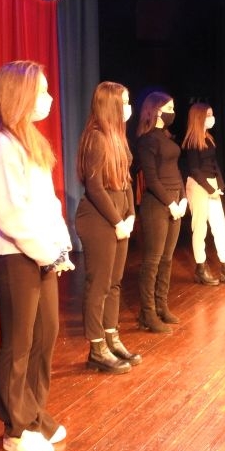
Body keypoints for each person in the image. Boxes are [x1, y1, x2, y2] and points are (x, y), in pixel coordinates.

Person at [0, 60, 74, 451]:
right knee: (18, 342)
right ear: (19, 95)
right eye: (41, 91)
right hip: (13, 256)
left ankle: (34, 413)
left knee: (46, 333)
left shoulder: (29, 140)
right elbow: (11, 216)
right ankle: (15, 427)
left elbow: (47, 203)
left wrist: (59, 246)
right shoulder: (1, 146)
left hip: (39, 252)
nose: (48, 99)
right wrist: (48, 252)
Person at [75, 82, 141, 375]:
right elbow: (95, 187)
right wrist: (117, 221)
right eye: (124, 103)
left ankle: (112, 337)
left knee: (115, 283)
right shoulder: (96, 138)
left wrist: (131, 214)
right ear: (111, 105)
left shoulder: (118, 138)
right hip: (98, 220)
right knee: (99, 284)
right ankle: (97, 347)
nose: (128, 108)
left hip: (119, 219)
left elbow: (125, 179)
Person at [135, 91, 187, 333]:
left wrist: (183, 198)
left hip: (176, 199)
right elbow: (152, 179)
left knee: (167, 259)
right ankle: (147, 313)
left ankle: (161, 306)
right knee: (153, 260)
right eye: (169, 108)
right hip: (156, 204)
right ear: (156, 110)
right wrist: (170, 203)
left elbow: (176, 170)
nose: (172, 113)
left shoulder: (166, 137)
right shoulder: (146, 140)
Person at [182, 102, 225, 285]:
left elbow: (214, 164)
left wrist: (220, 185)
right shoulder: (192, 142)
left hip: (212, 185)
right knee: (200, 228)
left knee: (220, 227)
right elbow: (195, 170)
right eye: (208, 115)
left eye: (211, 114)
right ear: (199, 117)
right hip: (198, 186)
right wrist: (210, 189)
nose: (211, 118)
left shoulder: (208, 138)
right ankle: (201, 269)